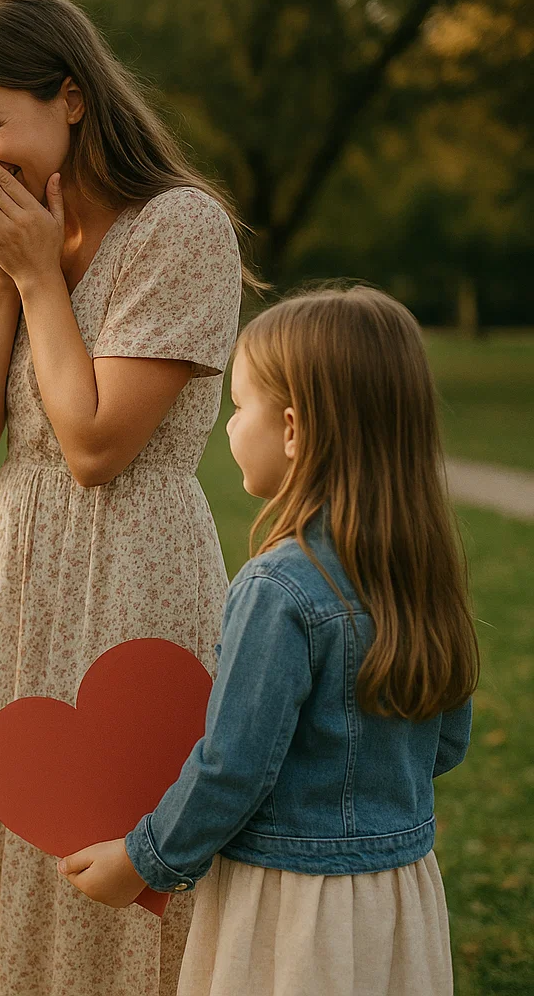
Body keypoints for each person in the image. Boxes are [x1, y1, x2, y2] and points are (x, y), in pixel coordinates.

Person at [0, 0, 256, 995]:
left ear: (69, 98)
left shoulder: (178, 229)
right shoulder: (1, 237)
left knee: (129, 857)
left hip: (136, 570)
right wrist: (12, 279)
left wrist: (43, 283)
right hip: (17, 567)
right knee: (24, 845)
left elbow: (98, 443)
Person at [61, 286, 478, 996]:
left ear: (292, 429)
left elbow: (234, 769)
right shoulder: (423, 572)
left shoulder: (279, 588)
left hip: (293, 909)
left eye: (239, 406)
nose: (227, 428)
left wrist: (143, 859)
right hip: (399, 897)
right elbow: (445, 745)